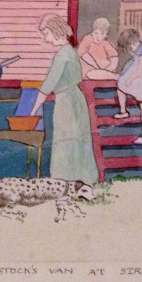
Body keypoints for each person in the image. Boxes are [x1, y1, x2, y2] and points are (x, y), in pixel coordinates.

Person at [30, 13, 99, 184]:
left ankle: (64, 179)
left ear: (55, 30)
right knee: (79, 139)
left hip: (66, 102)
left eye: (46, 33)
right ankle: (84, 179)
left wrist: (32, 111)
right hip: (77, 99)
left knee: (66, 140)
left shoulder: (62, 55)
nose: (46, 38)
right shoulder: (71, 52)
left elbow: (48, 84)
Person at [114, 28, 142, 144]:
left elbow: (140, 70)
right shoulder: (136, 50)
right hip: (138, 79)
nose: (130, 48)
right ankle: (123, 111)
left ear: (133, 41)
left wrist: (130, 79)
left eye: (130, 45)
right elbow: (133, 65)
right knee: (121, 85)